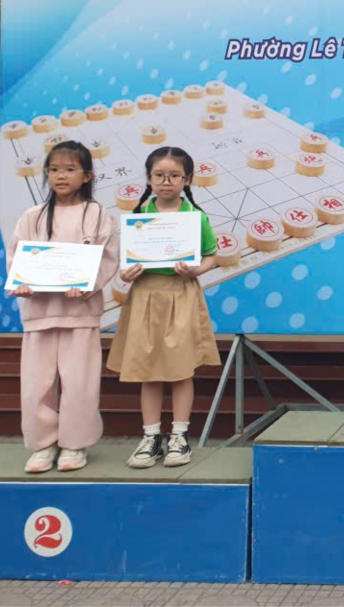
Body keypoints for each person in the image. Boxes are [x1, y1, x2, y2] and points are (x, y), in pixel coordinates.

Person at [6, 140, 118, 474]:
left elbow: (107, 257)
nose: (60, 176)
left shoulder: (97, 215)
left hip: (80, 314)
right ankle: (43, 444)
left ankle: (74, 443)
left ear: (87, 176)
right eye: (54, 169)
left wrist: (86, 285)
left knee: (79, 382)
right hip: (39, 313)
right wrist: (22, 281)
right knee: (36, 383)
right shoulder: (33, 216)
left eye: (70, 169)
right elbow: (17, 256)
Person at [107, 146, 220, 468]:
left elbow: (212, 256)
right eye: (159, 175)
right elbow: (127, 262)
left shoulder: (196, 218)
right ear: (149, 178)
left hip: (181, 294)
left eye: (174, 176)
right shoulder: (139, 217)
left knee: (181, 369)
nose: (166, 182)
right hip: (145, 295)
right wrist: (126, 273)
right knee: (149, 369)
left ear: (187, 179)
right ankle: (151, 437)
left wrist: (196, 269)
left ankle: (179, 436)